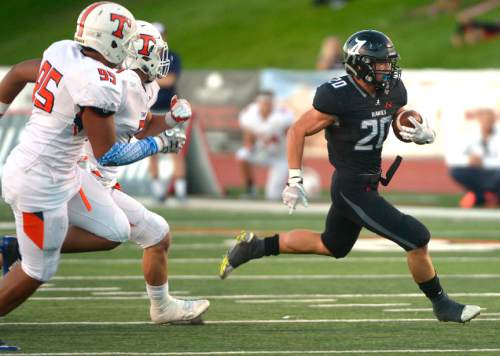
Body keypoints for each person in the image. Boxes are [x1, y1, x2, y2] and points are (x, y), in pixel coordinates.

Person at [220, 30, 481, 323]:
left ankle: (255, 246)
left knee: (333, 245)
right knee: (417, 238)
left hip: (368, 183)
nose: (388, 69)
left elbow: (396, 116)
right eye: (381, 63)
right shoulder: (338, 96)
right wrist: (294, 178)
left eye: (388, 62)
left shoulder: (392, 89)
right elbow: (298, 130)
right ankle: (442, 304)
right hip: (351, 187)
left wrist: (417, 130)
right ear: (361, 64)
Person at [0, 20, 209, 323]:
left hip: (85, 176)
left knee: (152, 234)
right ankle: (21, 246)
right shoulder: (113, 84)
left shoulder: (143, 85)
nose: (163, 59)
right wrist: (159, 144)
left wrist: (171, 120)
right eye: (156, 52)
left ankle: (162, 307)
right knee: (55, 259)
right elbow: (110, 154)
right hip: (84, 174)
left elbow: (142, 125)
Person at [148, 22, 188, 202]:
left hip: (169, 109)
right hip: (149, 109)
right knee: (150, 151)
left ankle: (180, 190)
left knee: (174, 148)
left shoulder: (172, 57)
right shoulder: (145, 56)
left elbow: (169, 81)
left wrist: (150, 78)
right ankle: (157, 190)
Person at [236, 91, 293, 200]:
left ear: (273, 103)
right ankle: (250, 189)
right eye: (263, 103)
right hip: (261, 152)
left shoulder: (283, 115)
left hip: (280, 156)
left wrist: (295, 157)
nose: (266, 105)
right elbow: (248, 137)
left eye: (268, 102)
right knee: (242, 155)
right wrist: (249, 148)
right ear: (258, 103)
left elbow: (291, 136)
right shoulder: (249, 114)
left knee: (272, 196)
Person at [447, 108, 500, 208]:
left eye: (490, 120)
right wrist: (468, 160)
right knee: (456, 171)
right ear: (479, 120)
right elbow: (453, 158)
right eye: (484, 120)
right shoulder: (469, 136)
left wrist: (484, 162)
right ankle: (485, 196)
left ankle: (482, 197)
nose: (487, 123)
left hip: (495, 172)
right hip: (477, 172)